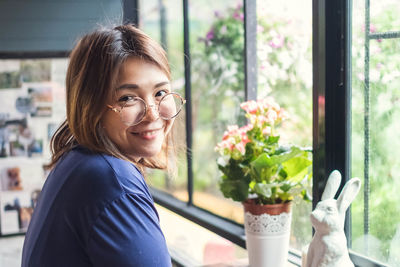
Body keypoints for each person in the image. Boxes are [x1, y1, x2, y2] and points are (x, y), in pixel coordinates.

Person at [21, 24, 185, 267]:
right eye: (128, 98)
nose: (152, 114)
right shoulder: (113, 181)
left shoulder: (80, 161)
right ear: (92, 107)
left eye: (160, 92)